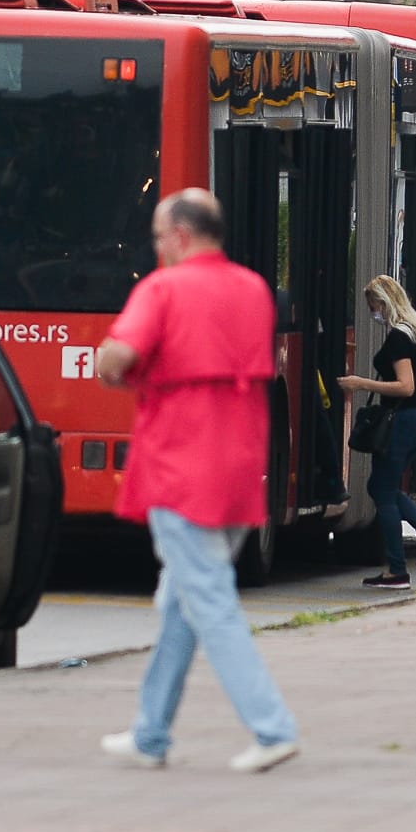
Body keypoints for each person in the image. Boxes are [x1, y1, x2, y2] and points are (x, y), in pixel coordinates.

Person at [95, 188, 299, 773]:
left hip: (180, 465)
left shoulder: (163, 288)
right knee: (181, 603)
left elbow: (117, 356)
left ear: (181, 235)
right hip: (238, 469)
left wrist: (114, 365)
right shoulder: (253, 289)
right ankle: (150, 732)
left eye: (159, 237)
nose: (157, 248)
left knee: (206, 599)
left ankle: (272, 727)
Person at [338, 274, 416, 589]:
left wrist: (359, 383)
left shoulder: (399, 339)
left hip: (399, 420)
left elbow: (406, 386)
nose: (373, 311)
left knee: (384, 491)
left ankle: (401, 565)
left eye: (373, 305)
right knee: (382, 486)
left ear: (384, 302)